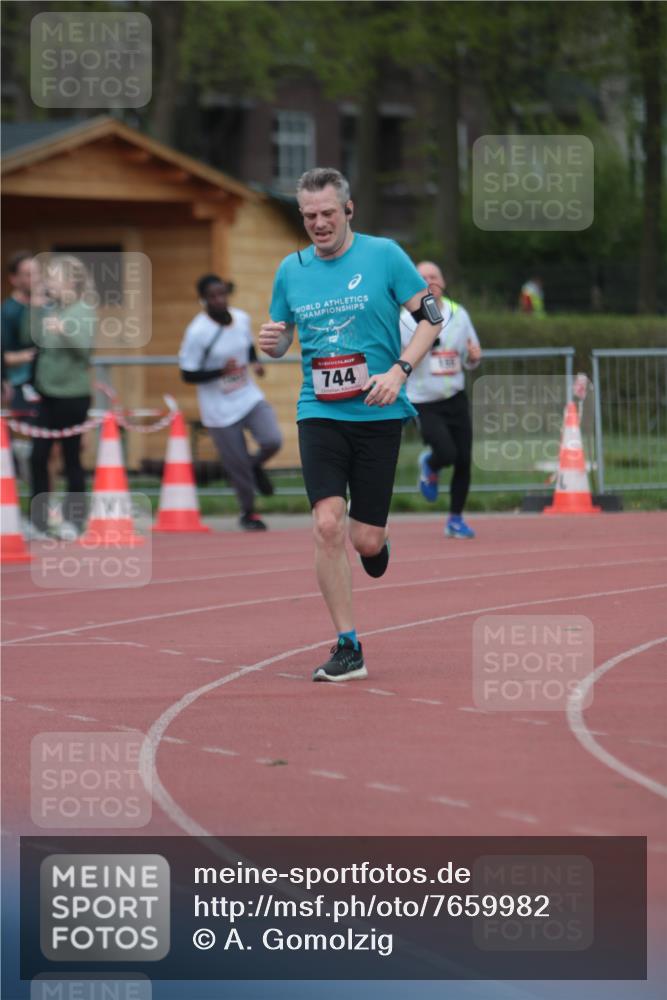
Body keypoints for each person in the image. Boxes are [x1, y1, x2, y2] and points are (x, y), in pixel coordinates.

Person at [259, 167, 443, 682]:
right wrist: (271, 342)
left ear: (349, 210)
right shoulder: (290, 270)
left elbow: (432, 316)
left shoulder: (384, 255)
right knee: (325, 523)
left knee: (363, 540)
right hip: (319, 411)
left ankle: (377, 543)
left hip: (379, 411)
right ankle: (348, 645)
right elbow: (281, 337)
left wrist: (400, 370)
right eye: (309, 215)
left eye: (326, 214)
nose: (318, 224)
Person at [179, 275, 282, 532]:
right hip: (219, 410)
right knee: (237, 466)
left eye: (222, 294)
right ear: (204, 300)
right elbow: (187, 373)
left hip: (248, 397)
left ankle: (255, 465)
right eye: (213, 296)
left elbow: (247, 345)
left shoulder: (241, 318)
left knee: (272, 439)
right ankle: (249, 512)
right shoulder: (197, 332)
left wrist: (255, 362)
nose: (219, 300)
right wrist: (219, 373)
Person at [400, 261, 482, 539]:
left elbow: (471, 352)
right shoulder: (403, 318)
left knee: (463, 460)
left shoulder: (459, 313)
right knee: (446, 452)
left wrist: (473, 358)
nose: (429, 280)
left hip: (455, 396)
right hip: (422, 400)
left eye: (434, 275)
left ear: (443, 281)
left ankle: (456, 519)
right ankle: (431, 464)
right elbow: (397, 357)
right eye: (423, 277)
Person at [27, 254, 96, 539]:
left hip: (72, 396)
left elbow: (85, 350)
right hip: (47, 394)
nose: (48, 283)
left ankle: (74, 520)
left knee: (71, 459)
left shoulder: (83, 310)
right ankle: (39, 521)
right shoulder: (51, 309)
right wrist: (35, 309)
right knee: (37, 457)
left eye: (54, 277)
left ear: (70, 281)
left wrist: (64, 330)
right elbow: (33, 340)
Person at [1, 251, 39, 414]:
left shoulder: (46, 306)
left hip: (47, 386)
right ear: (14, 279)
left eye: (38, 273)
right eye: (29, 274)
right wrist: (31, 355)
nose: (36, 279)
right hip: (19, 385)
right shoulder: (8, 311)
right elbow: (4, 356)